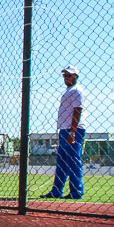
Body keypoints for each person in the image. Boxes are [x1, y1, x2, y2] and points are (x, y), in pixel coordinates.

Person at [40, 66, 87, 199]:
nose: (66, 78)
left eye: (69, 76)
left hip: (73, 129)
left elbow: (77, 111)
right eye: (65, 76)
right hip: (65, 129)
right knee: (62, 162)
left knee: (73, 160)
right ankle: (56, 191)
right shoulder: (70, 91)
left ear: (75, 76)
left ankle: (76, 192)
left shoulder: (77, 91)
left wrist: (72, 132)